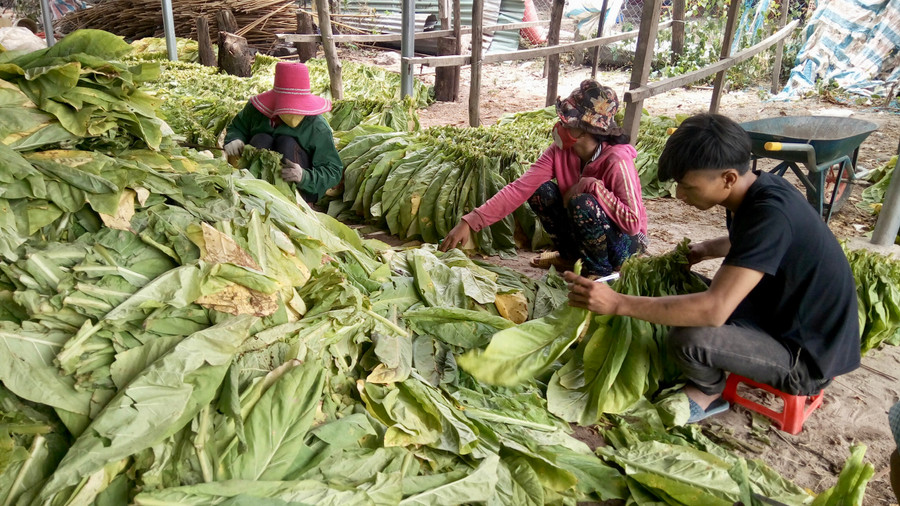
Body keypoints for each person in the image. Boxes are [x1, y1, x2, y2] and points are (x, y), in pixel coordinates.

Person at [564, 113, 861, 424]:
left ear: (728, 178)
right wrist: (706, 250)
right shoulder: (759, 190)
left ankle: (710, 391)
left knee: (689, 339)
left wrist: (619, 304)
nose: (680, 195)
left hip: (805, 355)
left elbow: (713, 311)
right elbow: (750, 243)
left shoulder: (770, 214)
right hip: (780, 315)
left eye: (688, 186)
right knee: (684, 290)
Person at [439, 79, 648, 277]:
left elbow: (632, 224)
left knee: (583, 202)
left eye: (567, 122)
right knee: (542, 192)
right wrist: (470, 221)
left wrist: (591, 186)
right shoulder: (560, 151)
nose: (560, 125)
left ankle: (599, 272)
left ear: (586, 130)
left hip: (625, 244)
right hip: (588, 234)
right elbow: (519, 188)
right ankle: (570, 256)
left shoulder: (617, 160)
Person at [223, 61, 343, 203]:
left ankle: (298, 201)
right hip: (256, 185)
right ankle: (254, 195)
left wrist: (304, 177)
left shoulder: (316, 126)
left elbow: (333, 170)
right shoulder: (256, 111)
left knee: (286, 142)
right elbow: (237, 127)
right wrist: (234, 139)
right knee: (261, 139)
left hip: (299, 189)